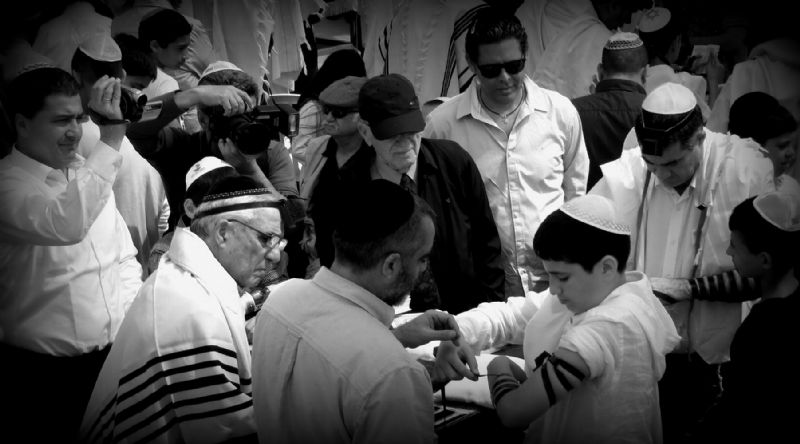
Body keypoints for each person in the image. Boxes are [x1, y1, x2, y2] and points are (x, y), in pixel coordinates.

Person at [590, 82, 775, 442]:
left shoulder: (746, 170)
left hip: (718, 361)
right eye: (653, 164)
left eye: (673, 163)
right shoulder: (631, 171)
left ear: (700, 138)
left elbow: (769, 273)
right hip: (646, 356)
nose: (662, 175)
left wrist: (688, 288)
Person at [438, 194, 679, 443]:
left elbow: (513, 413)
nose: (553, 289)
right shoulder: (595, 293)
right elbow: (513, 315)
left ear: (606, 267)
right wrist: (458, 332)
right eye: (550, 276)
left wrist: (498, 367)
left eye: (562, 277)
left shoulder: (607, 326)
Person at [252, 179, 476, 444]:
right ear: (391, 265)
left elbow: (332, 369)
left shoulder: (280, 300)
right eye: (422, 258)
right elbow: (363, 371)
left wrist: (396, 339)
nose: (424, 269)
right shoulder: (392, 373)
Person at [80, 175, 284, 443]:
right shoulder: (193, 312)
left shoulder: (185, 280)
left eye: (279, 242)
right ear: (223, 233)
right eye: (266, 238)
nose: (275, 255)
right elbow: (227, 432)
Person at [0, 66, 141, 442]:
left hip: (112, 363)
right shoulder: (6, 184)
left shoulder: (88, 176)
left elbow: (124, 259)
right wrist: (111, 139)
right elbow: (64, 224)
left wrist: (126, 329)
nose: (75, 131)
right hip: (41, 379)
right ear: (22, 124)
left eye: (79, 118)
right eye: (61, 120)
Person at [424, 8, 589, 297]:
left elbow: (576, 194)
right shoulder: (442, 125)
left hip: (554, 282)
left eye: (514, 66)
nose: (505, 78)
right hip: (482, 288)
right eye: (491, 70)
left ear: (526, 56)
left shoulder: (560, 113)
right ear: (472, 65)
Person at [325, 73, 506, 314]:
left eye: (411, 131)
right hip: (387, 323)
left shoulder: (454, 164)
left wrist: (489, 315)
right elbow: (338, 271)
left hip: (465, 316)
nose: (405, 143)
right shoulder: (346, 188)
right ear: (365, 132)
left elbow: (487, 249)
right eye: (392, 135)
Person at [126, 61, 300, 231]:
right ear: (202, 119)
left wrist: (251, 170)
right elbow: (132, 127)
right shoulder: (183, 147)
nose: (240, 125)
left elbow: (294, 220)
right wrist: (191, 96)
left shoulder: (271, 152)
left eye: (247, 116)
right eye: (229, 117)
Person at [689, 192, 800, 443]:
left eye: (735, 246)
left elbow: (737, 408)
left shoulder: (764, 329)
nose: (729, 251)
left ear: (764, 260)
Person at [71, 33, 170, 277]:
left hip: (111, 272)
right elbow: (163, 214)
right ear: (122, 76)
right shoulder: (90, 133)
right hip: (134, 271)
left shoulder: (75, 136)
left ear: (76, 75)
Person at [300, 75, 370, 277]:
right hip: (316, 260)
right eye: (326, 110)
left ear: (363, 116)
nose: (329, 118)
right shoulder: (318, 148)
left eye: (339, 113)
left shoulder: (376, 154)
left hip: (359, 266)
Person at [573, 31, 648, 189]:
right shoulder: (656, 114)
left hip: (583, 204)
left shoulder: (571, 111)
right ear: (645, 73)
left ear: (600, 72)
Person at [291, 48, 366, 177]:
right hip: (321, 175)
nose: (330, 117)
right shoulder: (313, 108)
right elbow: (299, 149)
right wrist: (331, 156)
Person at [637, 7, 724, 119]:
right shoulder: (684, 83)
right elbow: (711, 122)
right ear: (676, 42)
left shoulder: (635, 79)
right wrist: (714, 80)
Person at [137, 7, 199, 132]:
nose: (186, 55)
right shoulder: (166, 84)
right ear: (155, 46)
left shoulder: (131, 75)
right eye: (180, 48)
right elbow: (174, 134)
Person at [728, 91, 800, 197]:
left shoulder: (790, 187)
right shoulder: (732, 190)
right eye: (782, 146)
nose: (792, 153)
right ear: (753, 146)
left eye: (794, 146)